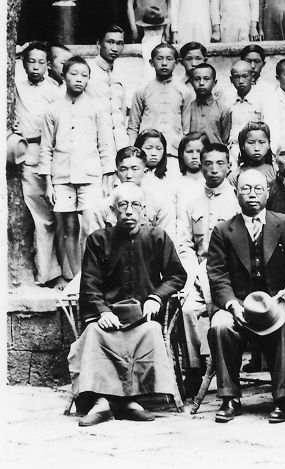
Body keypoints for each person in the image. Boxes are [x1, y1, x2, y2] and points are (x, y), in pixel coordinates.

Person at [69, 183, 187, 427]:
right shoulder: (98, 240)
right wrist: (102, 312)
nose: (129, 211)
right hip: (108, 316)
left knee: (152, 331)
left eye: (135, 205)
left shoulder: (157, 237)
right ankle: (102, 402)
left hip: (143, 316)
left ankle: (131, 400)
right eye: (123, 205)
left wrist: (156, 297)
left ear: (144, 209)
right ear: (113, 210)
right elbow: (90, 283)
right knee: (94, 333)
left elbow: (177, 275)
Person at [207, 169, 285, 423]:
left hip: (275, 302)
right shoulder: (223, 230)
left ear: (268, 193)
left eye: (258, 189)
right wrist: (232, 305)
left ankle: (283, 398)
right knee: (220, 325)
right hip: (239, 304)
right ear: (236, 193)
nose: (252, 194)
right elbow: (217, 274)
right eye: (245, 189)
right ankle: (229, 398)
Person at [39, 56, 115, 281]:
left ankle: (92, 276)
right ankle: (76, 277)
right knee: (69, 227)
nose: (79, 79)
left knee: (90, 226)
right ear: (64, 76)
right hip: (61, 176)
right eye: (73, 74)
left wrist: (107, 178)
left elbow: (105, 144)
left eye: (84, 75)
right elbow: (46, 148)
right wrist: (48, 184)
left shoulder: (97, 108)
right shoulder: (53, 110)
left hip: (90, 176)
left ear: (89, 79)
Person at [175, 143, 239, 396]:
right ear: (200, 167)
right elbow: (185, 243)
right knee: (188, 309)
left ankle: (227, 367)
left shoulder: (237, 199)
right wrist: (195, 272)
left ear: (229, 166)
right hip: (199, 273)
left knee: (224, 316)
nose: (214, 170)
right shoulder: (191, 200)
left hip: (229, 276)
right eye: (208, 164)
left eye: (220, 164)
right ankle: (194, 368)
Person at [15, 42, 63, 285]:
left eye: (41, 62)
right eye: (31, 61)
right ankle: (46, 273)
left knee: (58, 216)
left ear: (48, 65)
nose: (36, 67)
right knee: (41, 217)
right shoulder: (15, 86)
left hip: (51, 153)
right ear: (23, 63)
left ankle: (62, 272)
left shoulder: (55, 90)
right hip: (27, 153)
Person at [127, 43, 193, 169]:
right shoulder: (142, 90)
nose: (164, 63)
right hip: (146, 153)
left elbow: (187, 129)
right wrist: (134, 153)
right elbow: (133, 127)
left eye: (169, 59)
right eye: (159, 58)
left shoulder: (184, 91)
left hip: (173, 153)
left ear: (176, 62)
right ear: (151, 62)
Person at [86, 146, 175, 237]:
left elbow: (167, 240)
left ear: (145, 172)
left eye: (135, 169)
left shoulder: (160, 203)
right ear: (117, 173)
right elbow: (94, 241)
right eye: (123, 169)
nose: (129, 175)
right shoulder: (103, 206)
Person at [86, 26, 129, 152]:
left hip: (119, 142)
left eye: (119, 43)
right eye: (110, 42)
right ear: (99, 44)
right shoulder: (86, 71)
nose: (115, 48)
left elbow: (122, 111)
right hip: (94, 141)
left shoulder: (122, 74)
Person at [187, 63, 231, 146]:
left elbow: (225, 138)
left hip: (215, 152)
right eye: (197, 79)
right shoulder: (188, 108)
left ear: (214, 82)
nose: (201, 83)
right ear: (192, 82)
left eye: (206, 79)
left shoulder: (222, 109)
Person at [228, 122, 277, 189]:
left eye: (262, 142)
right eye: (251, 143)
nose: (257, 148)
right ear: (243, 146)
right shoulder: (234, 176)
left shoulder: (275, 171)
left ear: (269, 144)